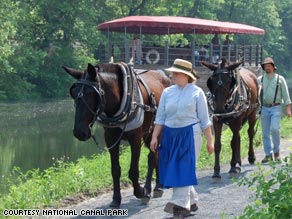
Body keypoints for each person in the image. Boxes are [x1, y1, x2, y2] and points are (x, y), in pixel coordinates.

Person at [150, 59, 214, 218]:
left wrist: (210, 141)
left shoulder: (197, 93)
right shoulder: (167, 92)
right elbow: (160, 118)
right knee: (173, 167)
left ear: (186, 75)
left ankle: (179, 205)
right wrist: (154, 137)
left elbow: (205, 120)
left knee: (184, 167)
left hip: (190, 134)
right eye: (173, 73)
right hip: (170, 135)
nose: (173, 76)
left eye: (176, 73)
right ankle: (191, 200)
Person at [258, 57, 291, 163]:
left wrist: (288, 108)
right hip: (264, 108)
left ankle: (277, 152)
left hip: (276, 107)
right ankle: (268, 154)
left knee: (275, 129)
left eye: (268, 65)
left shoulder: (279, 79)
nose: (267, 67)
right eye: (265, 66)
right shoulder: (260, 79)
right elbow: (255, 94)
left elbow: (286, 95)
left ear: (273, 67)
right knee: (265, 133)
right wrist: (260, 89)